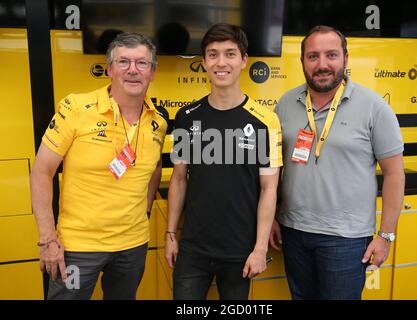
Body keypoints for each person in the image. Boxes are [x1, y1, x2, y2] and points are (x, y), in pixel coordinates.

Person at [30, 32, 169, 300]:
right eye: (123, 62)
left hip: (133, 247)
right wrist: (47, 239)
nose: (132, 70)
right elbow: (42, 171)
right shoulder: (77, 108)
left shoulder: (157, 121)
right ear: (109, 68)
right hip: (77, 248)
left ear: (152, 72)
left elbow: (153, 170)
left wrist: (146, 210)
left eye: (142, 63)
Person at [270, 25, 405, 300]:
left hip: (347, 240)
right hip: (293, 231)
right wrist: (272, 217)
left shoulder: (374, 107)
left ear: (345, 58)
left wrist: (386, 236)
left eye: (331, 55)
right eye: (313, 56)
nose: (322, 64)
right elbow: (276, 168)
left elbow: (394, 174)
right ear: (302, 61)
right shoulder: (285, 104)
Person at [165, 23, 283, 300]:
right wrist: (170, 234)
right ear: (204, 62)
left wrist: (259, 249)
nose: (221, 62)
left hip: (240, 251)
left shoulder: (266, 121)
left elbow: (269, 189)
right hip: (193, 249)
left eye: (230, 54)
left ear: (243, 61)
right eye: (213, 54)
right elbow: (179, 178)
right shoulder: (186, 117)